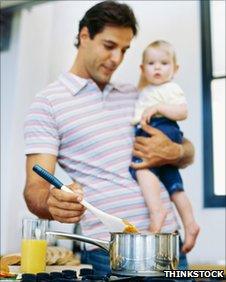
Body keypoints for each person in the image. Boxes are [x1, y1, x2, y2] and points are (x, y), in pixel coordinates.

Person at [23, 1, 195, 275]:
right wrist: (52, 203)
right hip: (110, 250)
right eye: (109, 46)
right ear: (84, 36)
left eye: (124, 50)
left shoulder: (135, 95)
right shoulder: (48, 103)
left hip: (167, 242)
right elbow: (35, 190)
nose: (117, 58)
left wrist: (175, 152)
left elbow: (186, 150)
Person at [130, 40, 200, 253]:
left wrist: (159, 107)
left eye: (164, 63)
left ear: (175, 69)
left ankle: (157, 212)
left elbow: (182, 112)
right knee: (174, 186)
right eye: (151, 63)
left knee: (141, 168)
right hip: (156, 128)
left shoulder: (170, 88)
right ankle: (191, 224)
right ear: (143, 69)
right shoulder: (146, 89)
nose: (158, 67)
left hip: (163, 128)